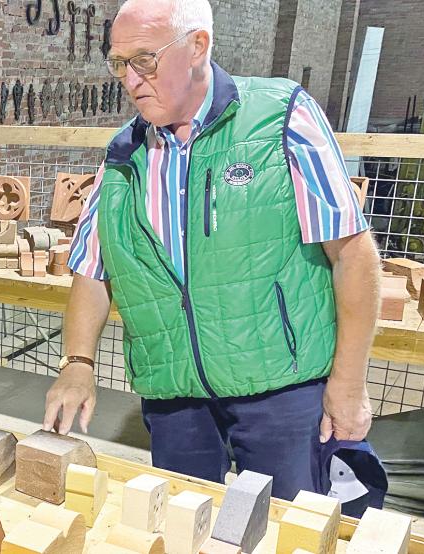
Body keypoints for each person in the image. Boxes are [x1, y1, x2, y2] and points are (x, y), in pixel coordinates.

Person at [43, 0, 380, 500]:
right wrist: (78, 363)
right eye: (119, 64)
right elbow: (93, 269)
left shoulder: (280, 117)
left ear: (198, 45)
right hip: (174, 398)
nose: (130, 81)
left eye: (144, 60)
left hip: (279, 391)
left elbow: (353, 254)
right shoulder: (122, 155)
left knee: (284, 529)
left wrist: (349, 384)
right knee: (181, 524)